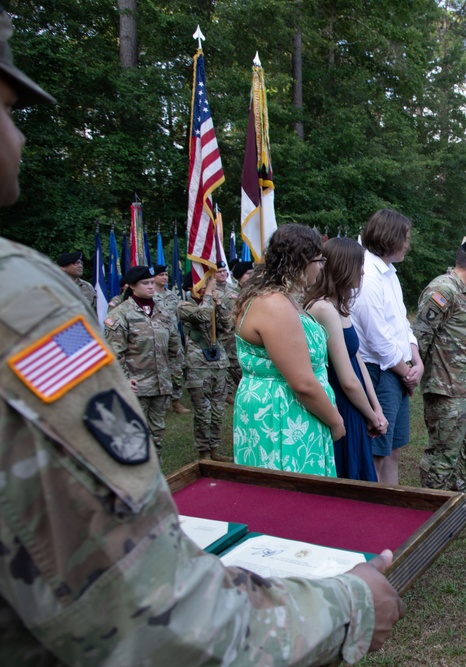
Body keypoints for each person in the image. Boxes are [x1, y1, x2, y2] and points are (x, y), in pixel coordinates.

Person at [0, 14, 403, 660]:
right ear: (302, 262)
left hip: (263, 412)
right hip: (285, 421)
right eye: (8, 107)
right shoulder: (18, 304)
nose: (18, 132)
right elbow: (138, 599)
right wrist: (345, 604)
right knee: (286, 514)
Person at [232, 224, 345, 476]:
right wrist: (336, 422)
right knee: (287, 496)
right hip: (282, 414)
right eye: (319, 260)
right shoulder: (274, 306)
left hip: (289, 410)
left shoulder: (278, 299)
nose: (322, 266)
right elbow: (302, 382)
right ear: (301, 263)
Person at [414, 239, 466, 517]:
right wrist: (419, 378)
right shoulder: (442, 290)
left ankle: (459, 499)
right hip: (446, 389)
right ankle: (433, 510)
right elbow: (421, 337)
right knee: (443, 451)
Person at [306, 237, 388, 483]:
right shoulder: (322, 309)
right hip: (342, 402)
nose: (362, 271)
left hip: (356, 402)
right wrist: (372, 417)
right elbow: (347, 379)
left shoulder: (338, 305)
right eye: (358, 265)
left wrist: (376, 407)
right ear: (343, 267)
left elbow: (357, 358)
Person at [352, 209, 424, 485]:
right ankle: (372, 514)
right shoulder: (367, 275)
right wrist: (407, 372)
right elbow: (377, 338)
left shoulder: (389, 273)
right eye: (405, 237)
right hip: (380, 373)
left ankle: (392, 507)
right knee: (377, 453)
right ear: (390, 238)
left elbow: (402, 324)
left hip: (397, 369)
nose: (408, 244)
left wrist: (417, 362)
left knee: (393, 449)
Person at [103, 265, 182, 457]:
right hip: (136, 385)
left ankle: (157, 475)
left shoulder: (162, 311)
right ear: (131, 286)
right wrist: (122, 380)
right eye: (145, 283)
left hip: (161, 384)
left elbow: (174, 346)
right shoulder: (120, 314)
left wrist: (175, 375)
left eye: (151, 283)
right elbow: (114, 353)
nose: (150, 287)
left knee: (157, 434)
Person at [177, 272, 233, 461]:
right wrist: (208, 295)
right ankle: (203, 452)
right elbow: (201, 316)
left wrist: (218, 303)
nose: (209, 288)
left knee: (218, 411)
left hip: (219, 363)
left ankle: (215, 449)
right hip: (197, 365)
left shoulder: (212, 302)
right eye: (205, 284)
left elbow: (227, 325)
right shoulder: (184, 305)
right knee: (203, 412)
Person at [151, 263, 190, 415]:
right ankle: (160, 402)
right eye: (161, 275)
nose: (165, 277)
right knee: (158, 370)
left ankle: (175, 401)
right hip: (157, 339)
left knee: (177, 369)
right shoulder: (149, 296)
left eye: (166, 275)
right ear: (153, 277)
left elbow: (180, 309)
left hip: (173, 337)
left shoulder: (172, 295)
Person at [214, 261, 241, 403]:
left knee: (236, 364)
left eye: (224, 271)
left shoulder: (233, 289)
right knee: (222, 366)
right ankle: (224, 393)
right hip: (219, 334)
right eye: (219, 271)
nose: (223, 274)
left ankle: (233, 390)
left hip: (233, 334)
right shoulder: (209, 291)